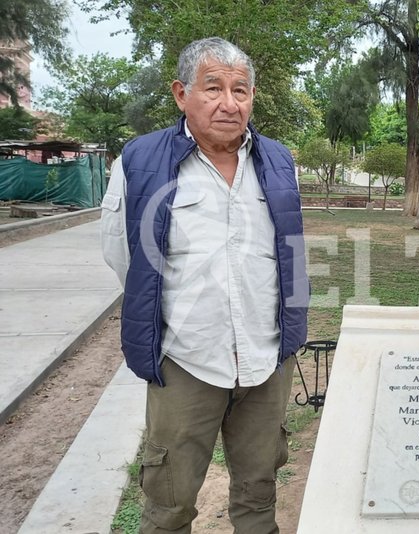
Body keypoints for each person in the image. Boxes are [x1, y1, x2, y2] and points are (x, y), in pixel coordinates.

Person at [100, 37, 309, 533]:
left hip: (264, 359)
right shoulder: (138, 162)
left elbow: (291, 253)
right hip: (186, 362)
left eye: (241, 90)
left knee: (259, 495)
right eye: (212, 87)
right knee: (169, 503)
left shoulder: (279, 162)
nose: (229, 103)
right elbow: (123, 258)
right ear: (180, 94)